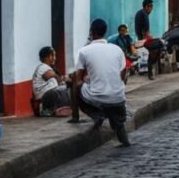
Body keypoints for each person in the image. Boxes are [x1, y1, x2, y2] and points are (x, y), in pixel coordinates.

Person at [76, 19, 130, 147]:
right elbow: (123, 76)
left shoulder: (84, 51)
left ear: (92, 33)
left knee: (75, 87)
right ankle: (121, 132)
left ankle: (96, 114)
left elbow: (79, 79)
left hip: (96, 97)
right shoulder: (117, 50)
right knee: (113, 102)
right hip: (118, 98)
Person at [32, 46, 70, 114]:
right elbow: (56, 77)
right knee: (63, 89)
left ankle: (57, 109)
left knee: (64, 88)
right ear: (45, 58)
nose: (54, 58)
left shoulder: (47, 67)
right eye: (52, 55)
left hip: (47, 95)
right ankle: (52, 110)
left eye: (54, 55)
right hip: (44, 96)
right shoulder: (43, 67)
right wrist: (64, 79)